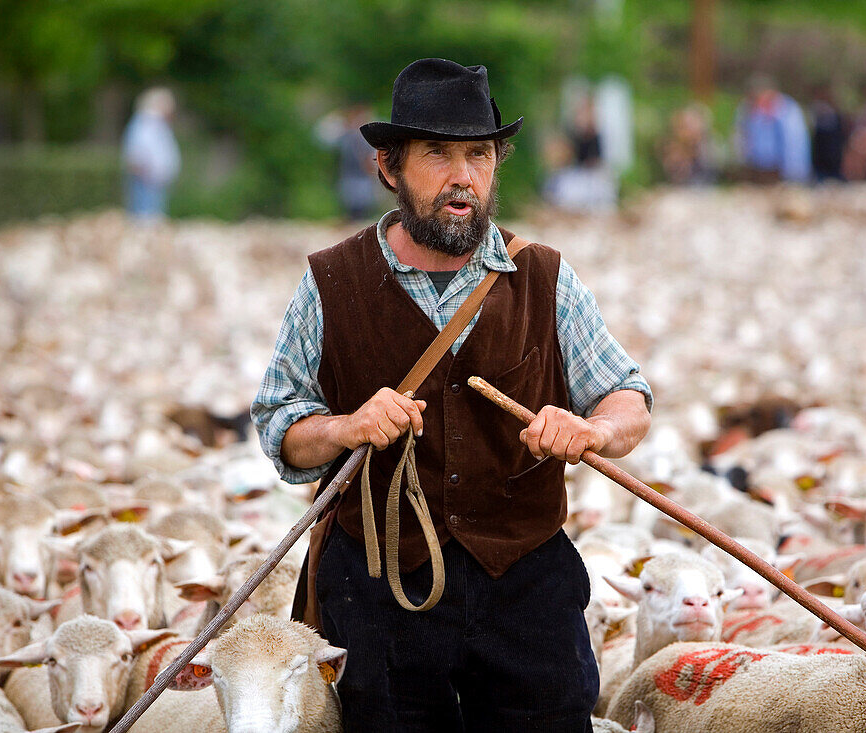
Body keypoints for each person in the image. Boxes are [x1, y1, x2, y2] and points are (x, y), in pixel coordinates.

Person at [252, 58, 652, 732]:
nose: (462, 174)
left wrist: (593, 431)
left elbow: (626, 397)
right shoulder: (331, 281)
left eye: (479, 154)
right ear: (389, 167)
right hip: (378, 593)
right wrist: (346, 426)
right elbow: (279, 423)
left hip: (525, 582)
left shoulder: (545, 277)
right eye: (437, 153)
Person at [733, 74, 811, 184]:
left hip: (783, 171)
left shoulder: (789, 110)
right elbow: (741, 138)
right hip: (756, 169)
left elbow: (795, 144)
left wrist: (794, 174)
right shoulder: (746, 109)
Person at [121, 87, 180, 219]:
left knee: (150, 216)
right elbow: (140, 150)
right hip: (147, 177)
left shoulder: (154, 123)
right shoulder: (147, 122)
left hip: (153, 177)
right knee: (146, 217)